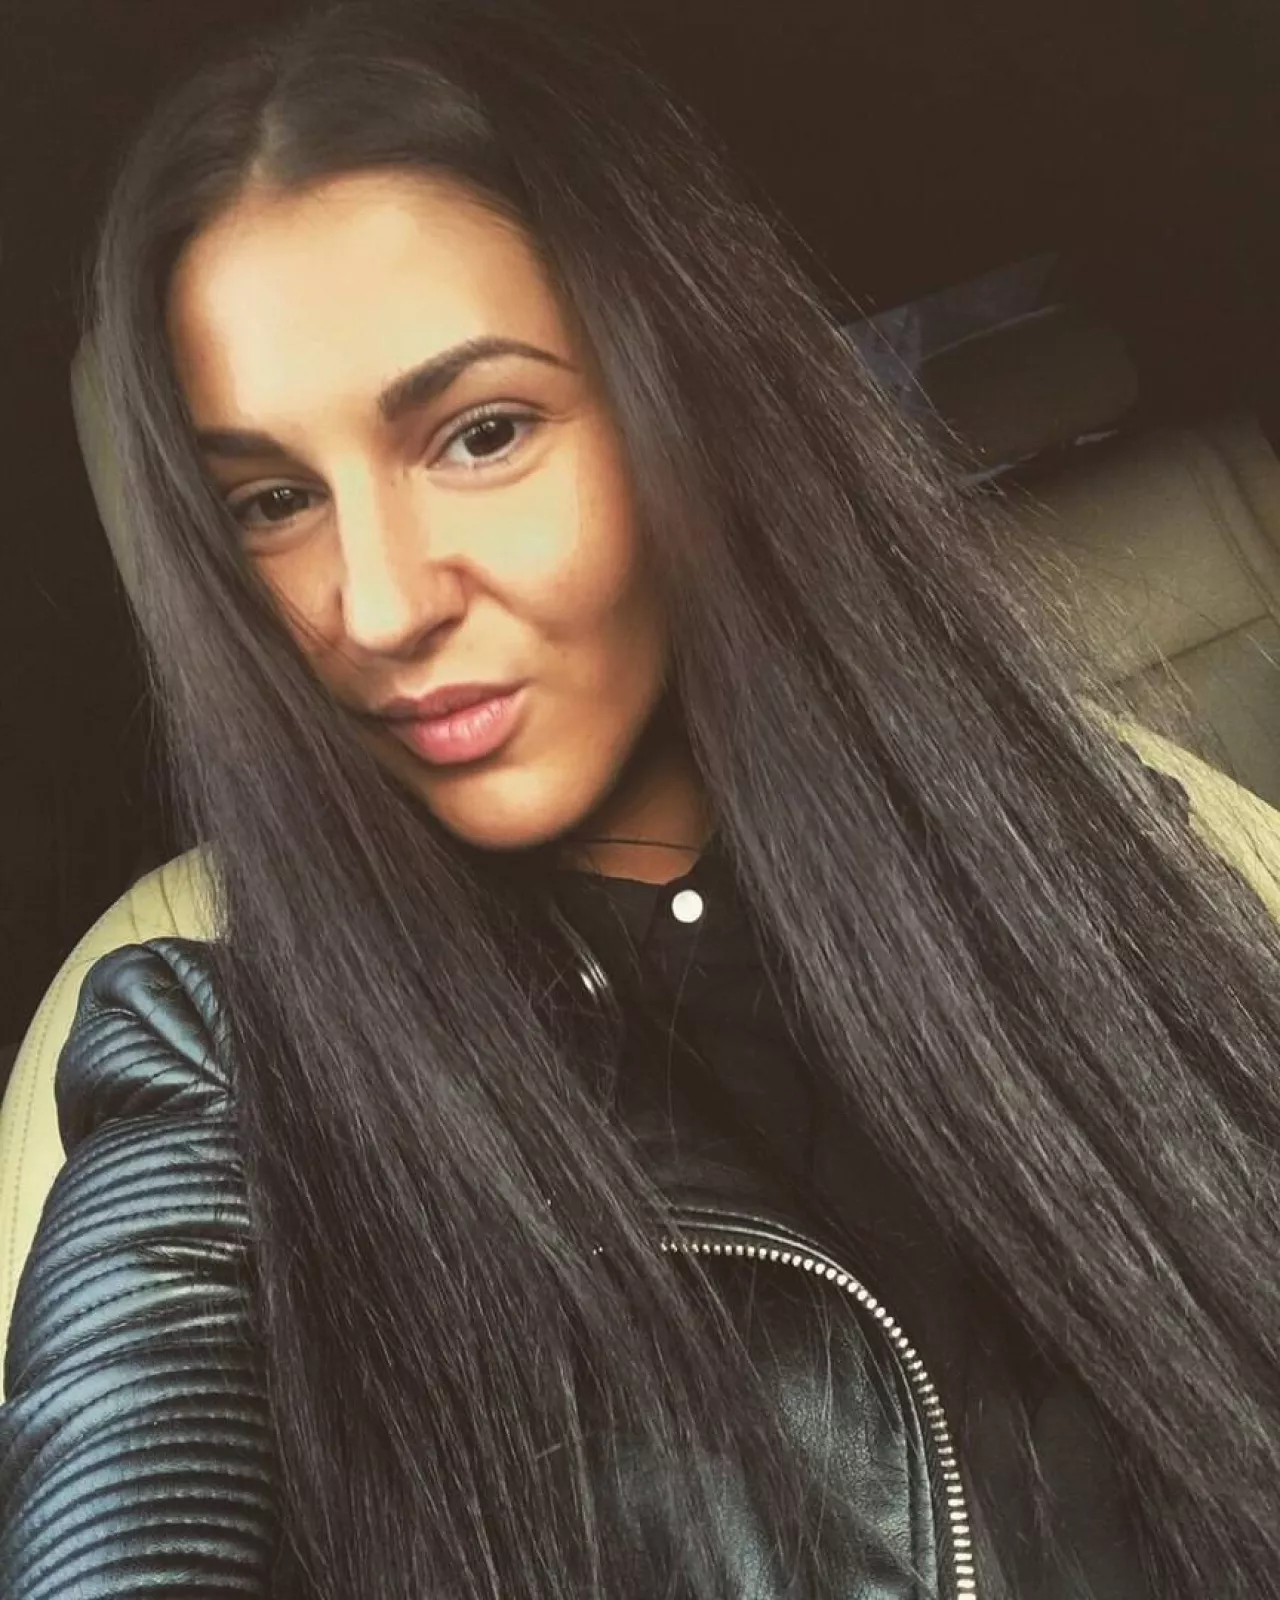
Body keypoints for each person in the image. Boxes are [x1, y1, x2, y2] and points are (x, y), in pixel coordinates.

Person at [4, 1, 1280, 1594]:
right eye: (270, 501)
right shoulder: (217, 1085)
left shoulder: (1089, 855)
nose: (379, 605)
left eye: (482, 434)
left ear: (693, 410)